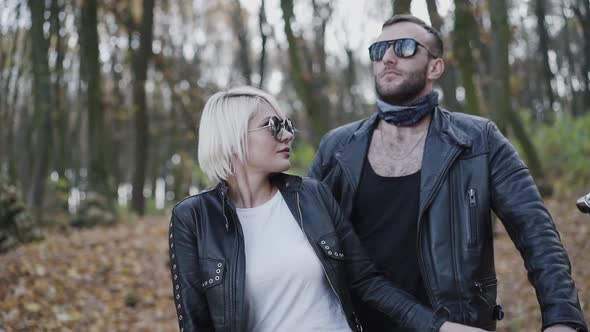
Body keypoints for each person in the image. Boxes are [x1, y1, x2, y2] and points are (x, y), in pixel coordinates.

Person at [309, 14, 587, 332]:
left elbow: (536, 234)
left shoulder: (479, 140)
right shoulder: (337, 147)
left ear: (435, 67)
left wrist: (563, 319)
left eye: (404, 47)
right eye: (379, 49)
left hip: (456, 325)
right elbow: (306, 239)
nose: (388, 57)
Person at [167, 86, 487, 332]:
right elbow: (196, 323)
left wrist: (438, 327)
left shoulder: (311, 196)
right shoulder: (194, 219)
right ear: (233, 137)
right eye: (273, 125)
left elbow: (367, 282)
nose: (288, 134)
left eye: (287, 124)